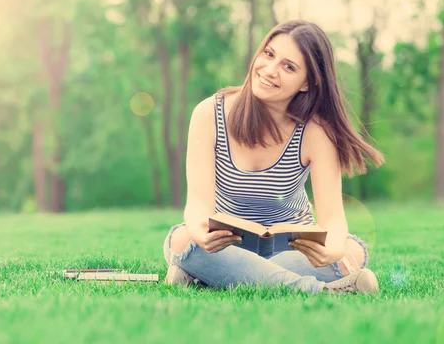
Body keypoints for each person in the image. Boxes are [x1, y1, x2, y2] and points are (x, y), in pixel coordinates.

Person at [162, 20, 384, 294]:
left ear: (307, 83)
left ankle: (212, 278)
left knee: (349, 251)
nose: (269, 70)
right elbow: (197, 202)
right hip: (224, 245)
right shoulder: (209, 113)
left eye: (288, 67)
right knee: (185, 241)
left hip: (293, 249)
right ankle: (321, 291)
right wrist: (199, 231)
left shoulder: (316, 131)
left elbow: (334, 219)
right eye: (269, 54)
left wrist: (333, 248)